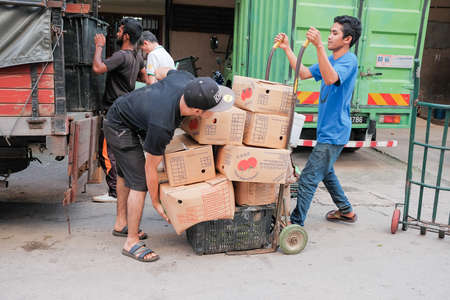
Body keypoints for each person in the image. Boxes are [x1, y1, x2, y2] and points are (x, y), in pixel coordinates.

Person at [103, 68, 235, 262]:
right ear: (198, 112)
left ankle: (121, 223)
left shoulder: (186, 80)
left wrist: (152, 91)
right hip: (119, 126)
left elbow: (161, 72)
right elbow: (151, 167)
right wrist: (156, 202)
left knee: (125, 174)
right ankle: (131, 241)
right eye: (213, 110)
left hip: (127, 114)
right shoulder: (162, 124)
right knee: (139, 182)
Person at [275, 15, 361, 226]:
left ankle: (295, 226)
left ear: (347, 39)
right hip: (327, 130)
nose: (330, 36)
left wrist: (319, 47)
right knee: (326, 172)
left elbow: (331, 78)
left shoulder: (349, 61)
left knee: (307, 179)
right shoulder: (331, 59)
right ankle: (346, 211)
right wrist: (287, 49)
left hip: (335, 132)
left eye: (334, 33)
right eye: (330, 32)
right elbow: (303, 73)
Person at [92, 18, 147, 205]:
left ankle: (114, 192)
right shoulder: (137, 57)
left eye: (120, 29)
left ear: (126, 36)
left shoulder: (121, 55)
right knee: (120, 151)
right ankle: (121, 187)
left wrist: (99, 46)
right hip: (126, 109)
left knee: (108, 153)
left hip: (114, 111)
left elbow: (98, 68)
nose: (117, 32)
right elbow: (146, 78)